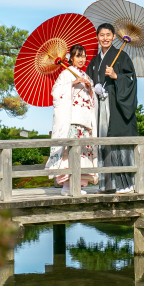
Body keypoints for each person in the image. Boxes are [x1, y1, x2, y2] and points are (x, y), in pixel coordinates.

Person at [87, 23, 138, 194]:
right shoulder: (95, 61)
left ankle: (127, 184)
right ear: (97, 37)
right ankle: (107, 185)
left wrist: (117, 76)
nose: (105, 38)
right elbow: (89, 82)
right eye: (102, 35)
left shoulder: (121, 56)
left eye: (108, 35)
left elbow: (131, 80)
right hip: (101, 107)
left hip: (117, 107)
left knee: (118, 143)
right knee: (104, 144)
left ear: (114, 36)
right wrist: (94, 88)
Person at [45, 44, 99, 196]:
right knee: (70, 152)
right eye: (78, 56)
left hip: (85, 119)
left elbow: (91, 99)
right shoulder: (65, 75)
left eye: (83, 56)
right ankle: (67, 186)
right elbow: (55, 93)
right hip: (72, 118)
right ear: (71, 59)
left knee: (83, 152)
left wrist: (90, 89)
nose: (81, 59)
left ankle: (78, 184)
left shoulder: (86, 76)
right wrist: (73, 83)